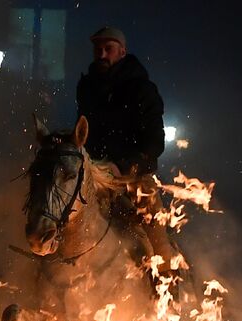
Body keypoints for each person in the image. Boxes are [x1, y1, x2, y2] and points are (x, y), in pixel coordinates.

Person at [76, 27, 177, 270]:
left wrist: (122, 166)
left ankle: (168, 291)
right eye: (97, 49)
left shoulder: (142, 89)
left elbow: (155, 143)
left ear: (122, 52)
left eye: (107, 49)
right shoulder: (87, 87)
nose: (102, 54)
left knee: (158, 243)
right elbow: (82, 130)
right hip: (94, 177)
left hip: (135, 178)